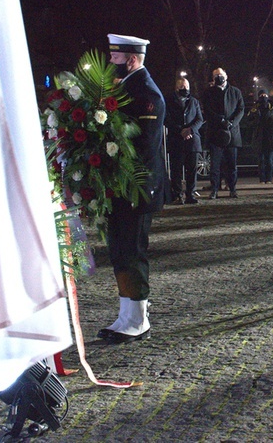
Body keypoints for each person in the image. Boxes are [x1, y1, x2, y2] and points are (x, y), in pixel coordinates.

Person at [99, 34, 166, 344]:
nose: (110, 64)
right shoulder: (127, 89)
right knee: (119, 250)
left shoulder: (146, 95)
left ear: (131, 59)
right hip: (121, 187)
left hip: (137, 188)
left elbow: (142, 147)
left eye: (115, 58)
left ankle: (138, 319)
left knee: (132, 251)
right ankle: (127, 314)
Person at [201, 67, 245, 199]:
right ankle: (214, 189)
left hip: (232, 133)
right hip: (216, 133)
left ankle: (232, 189)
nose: (218, 77)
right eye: (215, 76)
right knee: (215, 165)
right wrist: (220, 120)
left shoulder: (235, 91)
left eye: (220, 74)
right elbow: (207, 110)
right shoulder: (208, 92)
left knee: (232, 164)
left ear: (226, 75)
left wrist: (232, 122)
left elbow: (241, 109)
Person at [164, 77, 203, 205]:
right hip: (177, 140)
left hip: (192, 140)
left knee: (192, 169)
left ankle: (190, 194)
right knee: (176, 170)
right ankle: (177, 194)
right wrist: (181, 130)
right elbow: (167, 119)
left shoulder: (194, 102)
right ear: (176, 88)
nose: (185, 89)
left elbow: (199, 119)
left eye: (187, 87)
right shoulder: (169, 101)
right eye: (182, 87)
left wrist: (190, 130)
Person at [249, 90, 273, 184]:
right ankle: (262, 179)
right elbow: (249, 121)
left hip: (270, 137)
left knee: (269, 161)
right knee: (261, 161)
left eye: (265, 95)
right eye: (261, 95)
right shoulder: (255, 108)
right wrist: (256, 121)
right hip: (259, 137)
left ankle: (269, 179)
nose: (263, 97)